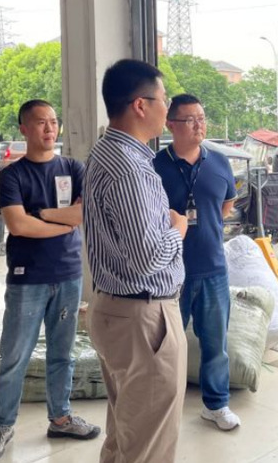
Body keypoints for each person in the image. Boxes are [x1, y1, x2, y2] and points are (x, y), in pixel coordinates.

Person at [0, 100, 100, 463]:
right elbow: (18, 225)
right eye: (40, 122)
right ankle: (3, 425)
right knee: (14, 355)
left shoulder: (73, 168)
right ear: (23, 129)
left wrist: (44, 215)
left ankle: (61, 418)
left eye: (53, 121)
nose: (49, 129)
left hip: (68, 275)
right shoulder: (11, 176)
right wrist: (64, 223)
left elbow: (84, 213)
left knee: (61, 354)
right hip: (27, 278)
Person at [84, 60, 188, 463]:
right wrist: (177, 229)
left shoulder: (107, 151)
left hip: (117, 310)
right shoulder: (130, 169)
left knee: (126, 434)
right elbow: (148, 258)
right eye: (164, 100)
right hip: (144, 319)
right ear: (140, 105)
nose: (168, 109)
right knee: (149, 445)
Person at [154, 94, 241, 431]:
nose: (198, 125)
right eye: (190, 119)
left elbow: (226, 205)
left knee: (215, 343)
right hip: (169, 272)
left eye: (202, 118)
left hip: (213, 268)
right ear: (171, 125)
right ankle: (164, 406)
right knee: (167, 346)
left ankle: (216, 405)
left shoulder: (219, 162)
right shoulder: (155, 167)